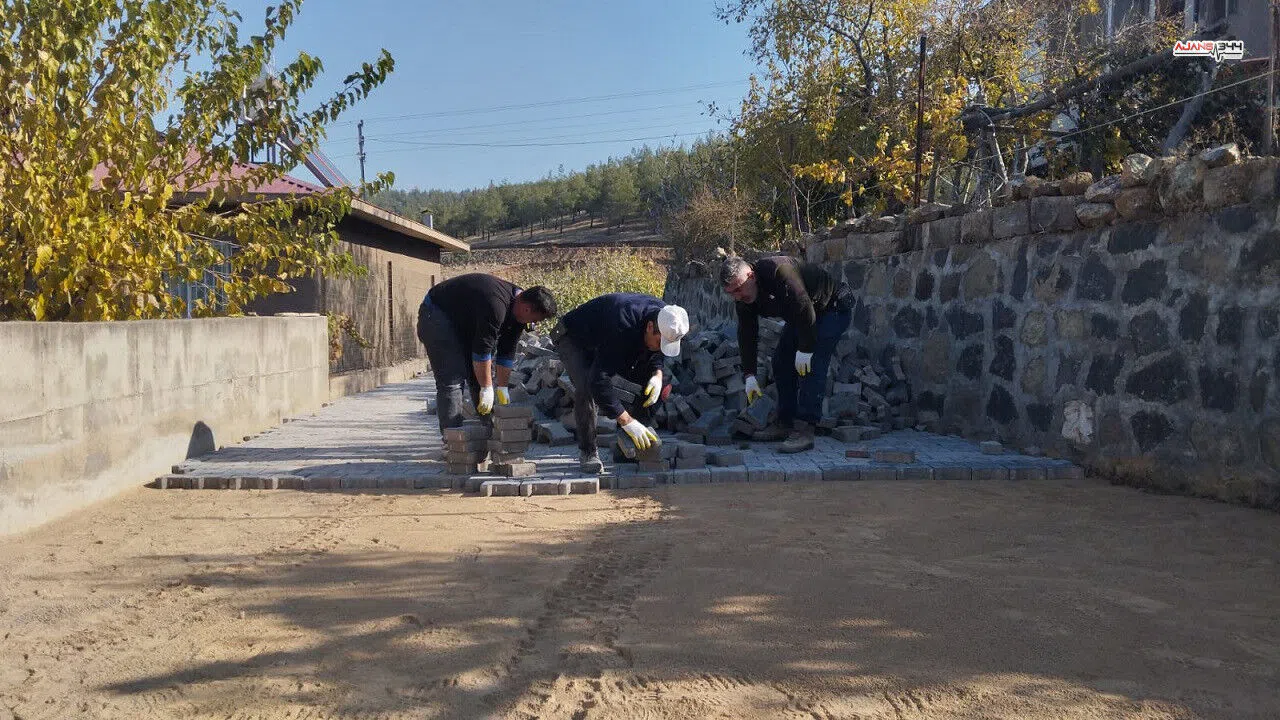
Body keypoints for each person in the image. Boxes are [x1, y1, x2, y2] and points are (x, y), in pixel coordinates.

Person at [719, 255, 852, 453]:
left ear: (751, 275)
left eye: (738, 289)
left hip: (830, 310)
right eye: (731, 293)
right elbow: (747, 333)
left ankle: (806, 429)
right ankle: (785, 422)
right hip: (801, 315)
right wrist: (749, 374)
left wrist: (806, 349)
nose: (737, 296)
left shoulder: (778, 271)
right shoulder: (744, 299)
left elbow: (804, 304)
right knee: (782, 362)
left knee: (810, 365)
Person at [551, 293, 690, 473]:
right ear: (649, 327)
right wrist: (626, 421)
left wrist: (657, 373)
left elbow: (656, 353)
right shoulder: (623, 324)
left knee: (656, 384)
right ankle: (589, 452)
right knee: (586, 386)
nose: (660, 347)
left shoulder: (667, 316)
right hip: (575, 338)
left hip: (607, 339)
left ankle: (628, 448)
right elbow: (599, 381)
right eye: (659, 342)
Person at [416, 273, 557, 433]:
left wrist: (502, 388)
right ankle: (454, 442)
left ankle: (488, 432)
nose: (535, 324)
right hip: (436, 315)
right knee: (453, 380)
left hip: (463, 322)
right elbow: (482, 352)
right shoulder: (496, 305)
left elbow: (507, 352)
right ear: (527, 308)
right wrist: (487, 388)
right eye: (536, 319)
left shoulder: (519, 311)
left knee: (479, 378)